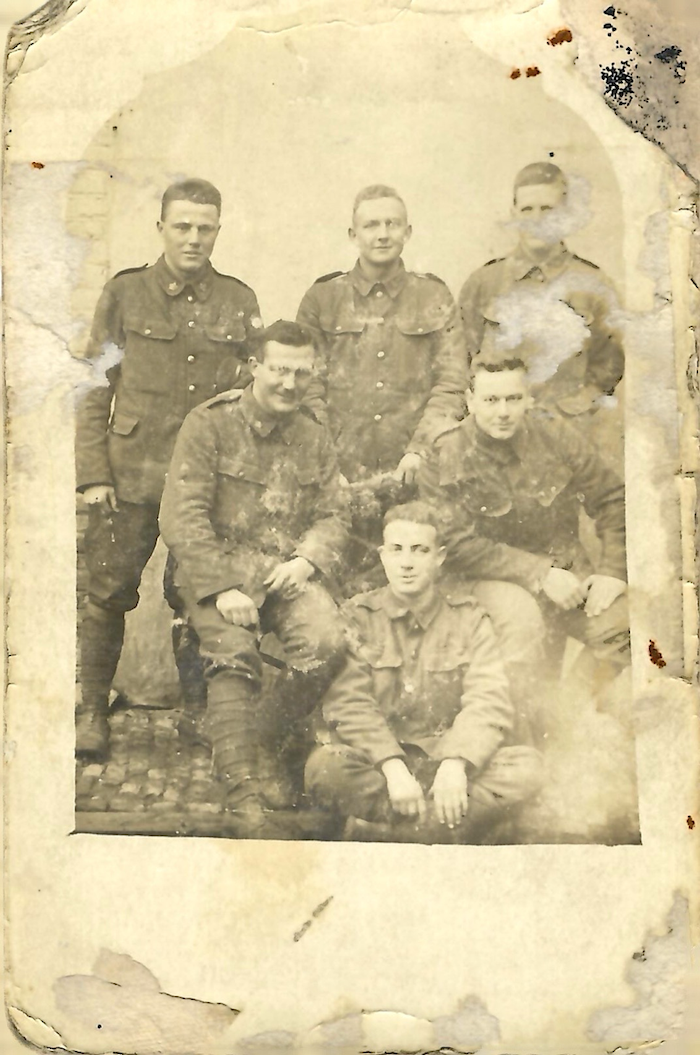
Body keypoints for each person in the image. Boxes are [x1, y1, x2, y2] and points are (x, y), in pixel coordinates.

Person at [75, 178, 263, 760]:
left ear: (218, 231)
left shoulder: (238, 300)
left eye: (205, 228)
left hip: (204, 483)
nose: (194, 238)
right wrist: (93, 474)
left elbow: (252, 391)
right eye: (182, 226)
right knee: (106, 591)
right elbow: (89, 385)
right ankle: (90, 710)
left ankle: (196, 712)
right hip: (130, 474)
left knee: (197, 593)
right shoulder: (126, 293)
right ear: (161, 228)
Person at [159, 320, 349, 837]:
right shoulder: (209, 424)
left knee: (330, 641)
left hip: (284, 574)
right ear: (254, 367)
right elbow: (183, 517)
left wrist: (307, 560)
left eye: (301, 373)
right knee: (233, 652)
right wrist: (222, 589)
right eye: (279, 370)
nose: (289, 384)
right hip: (215, 571)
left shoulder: (313, 433)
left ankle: (259, 737)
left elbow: (334, 511)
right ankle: (243, 791)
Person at [305, 502, 543, 843]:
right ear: (383, 555)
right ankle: (440, 827)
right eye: (397, 550)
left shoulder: (470, 618)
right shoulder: (358, 616)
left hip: (449, 765)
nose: (406, 562)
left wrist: (456, 762)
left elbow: (487, 697)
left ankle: (389, 828)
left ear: (439, 557)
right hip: (382, 767)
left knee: (527, 769)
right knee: (324, 768)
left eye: (420, 550)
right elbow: (349, 703)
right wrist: (392, 766)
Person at [418, 355, 629, 732]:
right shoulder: (445, 452)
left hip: (563, 570)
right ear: (469, 401)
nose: (503, 412)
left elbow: (612, 497)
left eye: (513, 399)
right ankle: (519, 749)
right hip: (484, 579)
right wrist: (538, 574)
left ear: (529, 399)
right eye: (491, 400)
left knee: (626, 626)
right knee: (522, 623)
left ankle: (562, 716)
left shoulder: (554, 433)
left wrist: (612, 571)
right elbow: (454, 543)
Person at [296, 184, 466, 484]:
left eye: (393, 224)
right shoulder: (322, 298)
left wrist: (421, 449)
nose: (383, 234)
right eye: (371, 225)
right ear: (353, 235)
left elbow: (451, 383)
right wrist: (325, 456)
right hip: (339, 469)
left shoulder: (434, 296)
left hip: (415, 467)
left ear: (408, 232)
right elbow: (306, 386)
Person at [457, 162, 624, 439]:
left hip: (566, 434)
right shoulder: (484, 282)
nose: (536, 219)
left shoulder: (593, 284)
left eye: (547, 210)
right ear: (513, 214)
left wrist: (577, 408)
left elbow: (609, 364)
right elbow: (463, 359)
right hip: (495, 437)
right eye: (527, 210)